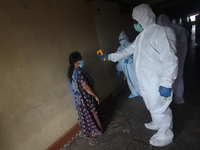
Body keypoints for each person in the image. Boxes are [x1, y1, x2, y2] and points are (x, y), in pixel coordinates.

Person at [99, 4, 178, 147]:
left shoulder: (160, 32)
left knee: (160, 108)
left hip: (157, 81)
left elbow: (170, 60)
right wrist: (109, 57)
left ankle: (166, 134)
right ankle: (157, 123)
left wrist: (167, 82)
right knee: (151, 105)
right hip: (146, 81)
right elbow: (127, 50)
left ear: (143, 18)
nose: (134, 24)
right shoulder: (142, 36)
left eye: (135, 21)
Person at [68, 51, 103, 139]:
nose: (82, 61)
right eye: (80, 59)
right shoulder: (79, 73)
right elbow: (86, 87)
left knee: (86, 114)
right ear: (75, 62)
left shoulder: (73, 71)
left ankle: (91, 131)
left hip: (80, 99)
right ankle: (97, 129)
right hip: (86, 98)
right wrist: (95, 96)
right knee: (91, 112)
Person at [157, 14, 188, 104]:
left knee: (178, 73)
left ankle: (178, 96)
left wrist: (173, 45)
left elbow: (184, 41)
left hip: (180, 51)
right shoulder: (159, 30)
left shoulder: (177, 28)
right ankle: (170, 95)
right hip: (167, 53)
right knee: (168, 73)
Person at [116, 31, 141, 98]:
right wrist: (119, 68)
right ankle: (134, 92)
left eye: (123, 39)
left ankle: (142, 93)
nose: (122, 41)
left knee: (136, 79)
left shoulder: (131, 45)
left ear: (126, 38)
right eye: (120, 40)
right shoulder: (119, 49)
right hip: (125, 68)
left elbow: (137, 56)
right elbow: (119, 59)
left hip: (132, 67)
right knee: (129, 80)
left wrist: (129, 60)